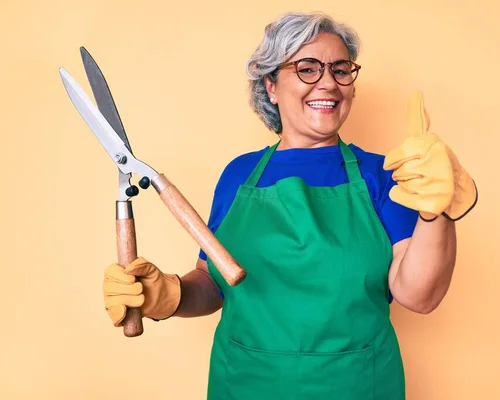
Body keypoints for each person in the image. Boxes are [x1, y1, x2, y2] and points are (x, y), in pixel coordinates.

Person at [102, 11, 477, 399]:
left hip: (355, 385)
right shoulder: (239, 174)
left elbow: (420, 295)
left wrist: (438, 212)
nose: (329, 83)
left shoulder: (382, 174)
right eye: (308, 68)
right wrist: (170, 294)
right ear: (272, 86)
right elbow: (213, 282)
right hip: (247, 384)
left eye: (340, 69)